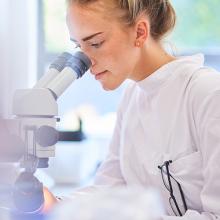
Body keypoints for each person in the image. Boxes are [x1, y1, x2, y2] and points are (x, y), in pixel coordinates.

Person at [44, 0, 220, 219]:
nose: (86, 62)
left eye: (96, 43)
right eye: (80, 47)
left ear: (140, 32)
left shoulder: (208, 94)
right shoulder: (131, 98)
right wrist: (54, 204)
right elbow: (110, 190)